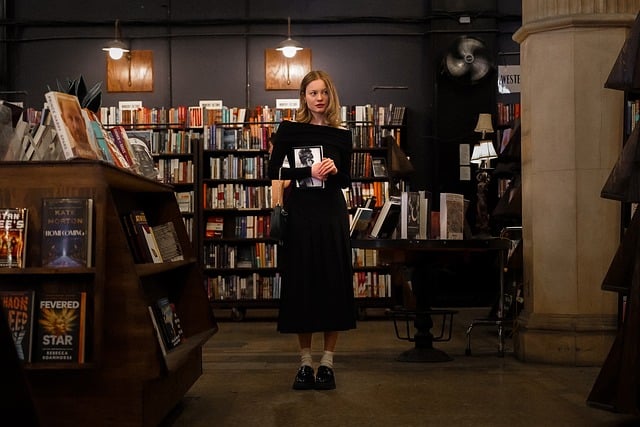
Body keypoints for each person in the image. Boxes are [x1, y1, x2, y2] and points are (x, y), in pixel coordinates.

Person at [268, 70, 355, 391]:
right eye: (313, 92)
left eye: (324, 93)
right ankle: (305, 363)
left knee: (333, 282)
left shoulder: (341, 134)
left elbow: (347, 180)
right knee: (302, 283)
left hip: (331, 213)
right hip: (301, 213)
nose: (319, 98)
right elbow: (273, 170)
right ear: (303, 96)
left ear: (331, 96)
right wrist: (309, 170)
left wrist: (333, 172)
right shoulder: (290, 130)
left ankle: (327, 363)